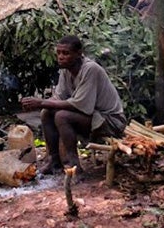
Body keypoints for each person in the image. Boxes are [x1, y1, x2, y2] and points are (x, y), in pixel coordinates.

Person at [20, 35, 127, 175]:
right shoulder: (66, 71)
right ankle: (54, 162)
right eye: (58, 53)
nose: (61, 57)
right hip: (94, 117)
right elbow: (59, 97)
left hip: (111, 122)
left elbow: (81, 105)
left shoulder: (90, 69)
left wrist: (40, 102)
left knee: (62, 116)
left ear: (78, 54)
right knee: (46, 112)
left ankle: (75, 167)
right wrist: (40, 104)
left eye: (66, 53)